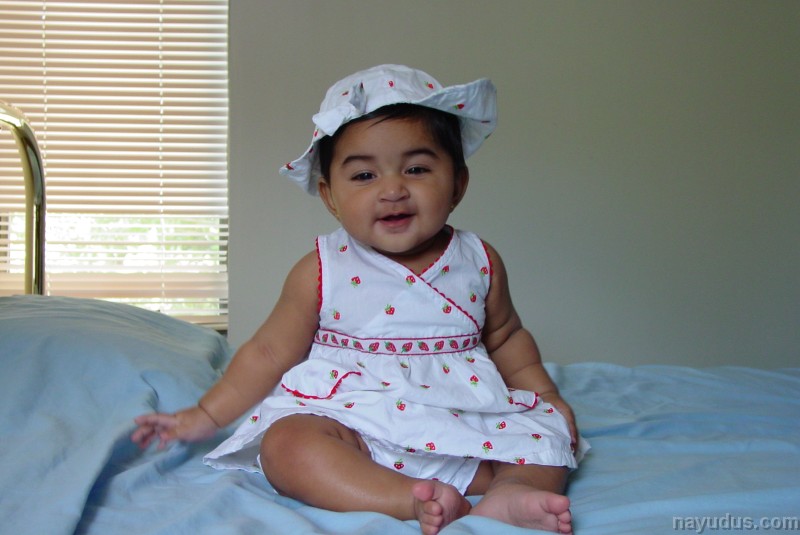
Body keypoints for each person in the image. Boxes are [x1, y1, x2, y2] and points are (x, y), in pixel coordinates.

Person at [132, 64, 587, 535]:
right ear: (330, 197)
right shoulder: (321, 269)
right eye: (364, 175)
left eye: (416, 169)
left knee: (549, 438)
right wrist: (206, 415)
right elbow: (268, 352)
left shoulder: (478, 260)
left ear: (457, 184)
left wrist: (548, 399)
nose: (392, 190)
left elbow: (506, 337)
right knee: (287, 444)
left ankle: (511, 492)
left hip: (462, 424)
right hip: (356, 426)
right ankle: (405, 499)